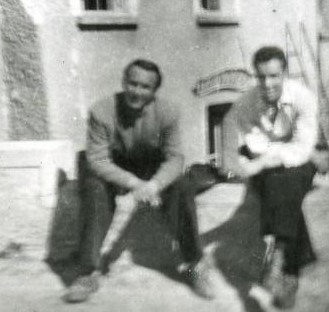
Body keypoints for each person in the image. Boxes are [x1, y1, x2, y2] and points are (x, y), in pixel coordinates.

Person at [63, 59, 217, 303]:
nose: (137, 91)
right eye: (132, 83)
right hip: (113, 166)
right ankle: (87, 272)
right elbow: (97, 160)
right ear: (124, 82)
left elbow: (175, 158)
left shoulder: (168, 112)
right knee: (94, 189)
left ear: (154, 91)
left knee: (183, 187)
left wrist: (155, 185)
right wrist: (135, 184)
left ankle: (195, 264)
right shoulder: (101, 111)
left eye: (145, 87)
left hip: (149, 165)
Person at [231, 46, 318, 309]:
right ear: (254, 76)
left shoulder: (303, 97)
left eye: (273, 76)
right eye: (261, 77)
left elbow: (302, 149)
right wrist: (267, 158)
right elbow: (254, 145)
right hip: (263, 164)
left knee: (284, 180)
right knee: (280, 184)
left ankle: (278, 254)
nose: (267, 84)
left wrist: (269, 158)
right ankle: (289, 273)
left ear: (285, 74)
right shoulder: (246, 103)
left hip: (299, 161)